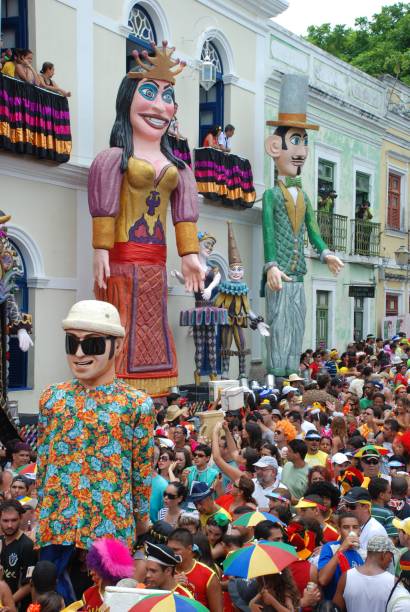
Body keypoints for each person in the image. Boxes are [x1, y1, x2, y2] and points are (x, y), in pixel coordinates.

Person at [88, 42, 203, 396]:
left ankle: (153, 391)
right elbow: (104, 206)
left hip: (155, 264)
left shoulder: (179, 168)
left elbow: (184, 218)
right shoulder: (113, 158)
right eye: (149, 93)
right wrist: (101, 250)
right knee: (119, 325)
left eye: (167, 96)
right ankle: (115, 389)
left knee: (153, 325)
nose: (158, 106)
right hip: (121, 264)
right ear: (127, 101)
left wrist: (190, 255)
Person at [36, 300, 154, 603]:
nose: (79, 354)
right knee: (50, 601)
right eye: (72, 342)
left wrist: (141, 518)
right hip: (57, 522)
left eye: (92, 344)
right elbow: (44, 461)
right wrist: (40, 513)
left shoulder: (135, 403)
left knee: (108, 600)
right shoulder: (52, 398)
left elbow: (141, 471)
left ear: (117, 347)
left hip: (109, 524)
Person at [333, 535, 395, 612]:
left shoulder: (346, 577)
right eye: (391, 556)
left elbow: (335, 608)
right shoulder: (393, 581)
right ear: (384, 554)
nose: (391, 560)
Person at [168, 528, 223, 611]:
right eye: (169, 549)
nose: (171, 553)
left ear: (189, 549)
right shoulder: (164, 570)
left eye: (176, 550)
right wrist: (170, 584)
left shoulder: (208, 575)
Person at [0, 499, 37, 611]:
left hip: (17, 607)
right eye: (5, 521)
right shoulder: (0, 541)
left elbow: (29, 584)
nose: (9, 525)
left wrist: (8, 602)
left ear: (21, 518)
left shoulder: (27, 545)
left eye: (14, 520)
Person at [318, 512, 364, 600]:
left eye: (355, 527)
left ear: (359, 531)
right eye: (346, 527)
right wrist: (342, 549)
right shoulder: (330, 547)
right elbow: (322, 580)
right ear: (339, 531)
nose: (351, 531)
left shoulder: (362, 554)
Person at [80, 537, 135, 610]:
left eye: (96, 569)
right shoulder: (88, 594)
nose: (91, 572)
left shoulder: (125, 597)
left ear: (109, 571)